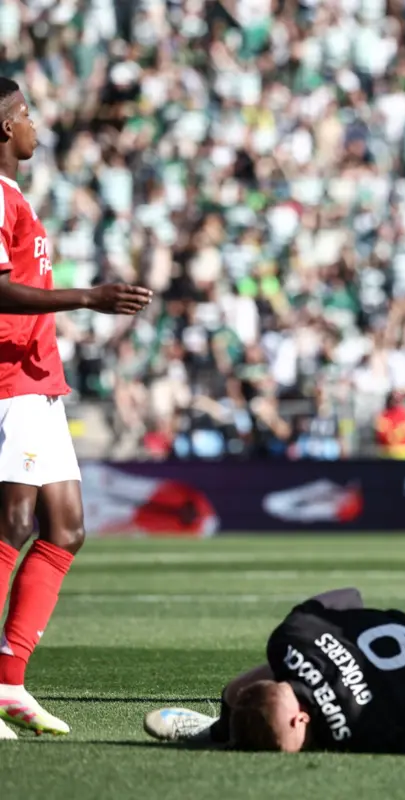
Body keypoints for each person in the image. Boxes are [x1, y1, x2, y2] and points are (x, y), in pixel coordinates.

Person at [0, 78, 153, 740]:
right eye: (26, 114)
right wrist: (86, 298)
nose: (36, 125)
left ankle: (9, 683)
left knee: (65, 529)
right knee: (11, 522)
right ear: (4, 127)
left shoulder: (15, 196)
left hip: (41, 381)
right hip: (10, 382)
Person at [142, 587, 405, 755]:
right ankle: (224, 726)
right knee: (272, 668)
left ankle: (217, 732)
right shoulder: (289, 638)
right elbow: (350, 597)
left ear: (302, 719)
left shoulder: (361, 736)